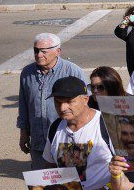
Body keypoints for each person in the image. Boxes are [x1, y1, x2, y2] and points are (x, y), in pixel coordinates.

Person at [18, 33, 87, 169]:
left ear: (58, 51)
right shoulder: (27, 73)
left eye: (44, 51)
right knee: (44, 186)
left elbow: (86, 105)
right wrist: (24, 133)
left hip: (67, 141)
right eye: (36, 50)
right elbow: (24, 105)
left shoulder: (73, 71)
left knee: (71, 185)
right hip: (38, 142)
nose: (38, 55)